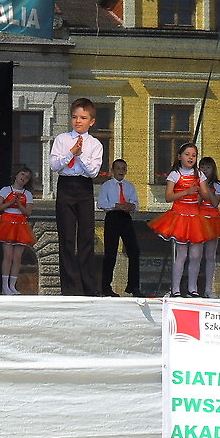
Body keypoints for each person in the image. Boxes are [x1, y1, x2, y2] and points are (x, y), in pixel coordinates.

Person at [50, 98, 103, 296]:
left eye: (83, 118)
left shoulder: (95, 144)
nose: (78, 121)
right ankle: (69, 287)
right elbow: (54, 165)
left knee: (86, 237)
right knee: (66, 237)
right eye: (74, 117)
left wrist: (80, 155)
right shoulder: (62, 139)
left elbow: (94, 172)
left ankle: (89, 286)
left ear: (92, 121)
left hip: (84, 188)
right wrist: (71, 153)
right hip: (66, 186)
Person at [149, 142, 213, 297]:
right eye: (187, 154)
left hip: (195, 216)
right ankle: (175, 289)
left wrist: (201, 190)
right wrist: (186, 192)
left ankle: (193, 289)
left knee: (196, 255)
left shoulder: (199, 175)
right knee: (182, 254)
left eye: (194, 155)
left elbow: (206, 196)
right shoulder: (175, 174)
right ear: (179, 157)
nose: (191, 158)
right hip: (180, 216)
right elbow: (168, 197)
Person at [0, 165, 36, 295]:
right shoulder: (5, 190)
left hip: (20, 224)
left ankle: (12, 286)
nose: (23, 178)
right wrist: (11, 202)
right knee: (8, 255)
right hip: (7, 223)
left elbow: (28, 212)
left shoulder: (27, 194)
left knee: (17, 257)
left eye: (27, 177)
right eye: (22, 174)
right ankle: (5, 286)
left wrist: (19, 204)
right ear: (16, 175)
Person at [97, 158, 141, 298]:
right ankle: (106, 287)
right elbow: (101, 203)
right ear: (113, 170)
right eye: (118, 168)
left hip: (126, 218)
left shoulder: (129, 186)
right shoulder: (107, 185)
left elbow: (136, 204)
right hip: (112, 217)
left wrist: (131, 206)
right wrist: (117, 205)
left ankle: (133, 286)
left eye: (123, 169)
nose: (121, 171)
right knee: (110, 252)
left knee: (134, 251)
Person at [197, 156, 220, 298]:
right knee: (195, 255)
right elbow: (196, 202)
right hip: (198, 220)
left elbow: (214, 203)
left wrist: (206, 187)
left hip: (212, 220)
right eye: (202, 167)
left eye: (208, 167)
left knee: (210, 256)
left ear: (213, 169)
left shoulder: (218, 185)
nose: (205, 170)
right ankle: (192, 288)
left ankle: (208, 289)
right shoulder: (195, 183)